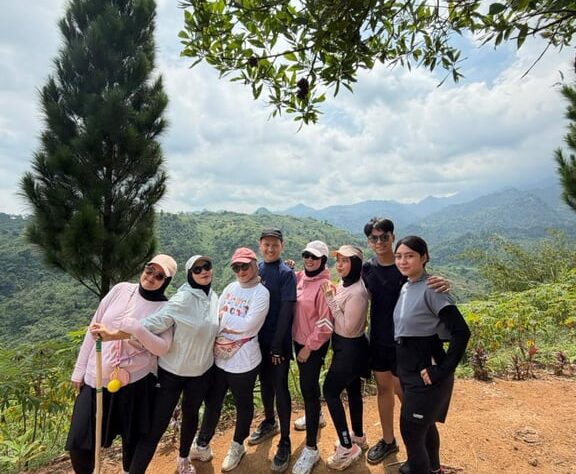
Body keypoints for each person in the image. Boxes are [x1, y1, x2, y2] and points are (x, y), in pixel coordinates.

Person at [91, 255, 220, 474]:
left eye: (206, 266)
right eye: (197, 269)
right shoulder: (181, 300)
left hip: (201, 372)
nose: (203, 271)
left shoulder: (214, 298)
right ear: (190, 275)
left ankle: (183, 459)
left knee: (191, 417)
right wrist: (113, 335)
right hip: (172, 374)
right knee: (155, 428)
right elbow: (149, 324)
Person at [66, 254, 177, 474]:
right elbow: (94, 327)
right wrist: (79, 370)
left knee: (131, 440)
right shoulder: (121, 290)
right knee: (79, 441)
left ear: (166, 281)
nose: (151, 277)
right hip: (96, 376)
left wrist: (137, 328)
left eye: (159, 276)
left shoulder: (165, 308)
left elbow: (162, 347)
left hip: (136, 382)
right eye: (150, 270)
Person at [362, 217, 448, 465]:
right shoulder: (367, 269)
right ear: (369, 241)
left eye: (384, 236)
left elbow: (425, 284)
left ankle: (423, 452)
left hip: (405, 345)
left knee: (408, 397)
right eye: (374, 238)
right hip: (379, 340)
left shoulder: (403, 267)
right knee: (383, 389)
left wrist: (445, 282)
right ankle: (389, 441)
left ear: (393, 236)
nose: (379, 242)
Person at [393, 236, 470, 474]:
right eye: (399, 256)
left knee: (412, 430)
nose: (403, 261)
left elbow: (461, 332)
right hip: (409, 369)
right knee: (422, 426)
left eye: (410, 256)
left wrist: (442, 369)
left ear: (424, 257)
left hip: (425, 372)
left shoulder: (433, 288)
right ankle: (433, 468)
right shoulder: (407, 285)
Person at [193, 247, 270, 472]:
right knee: (212, 402)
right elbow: (214, 319)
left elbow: (249, 325)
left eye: (245, 266)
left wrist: (224, 319)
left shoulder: (261, 293)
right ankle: (202, 444)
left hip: (244, 361)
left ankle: (237, 445)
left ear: (255, 265)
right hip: (220, 358)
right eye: (236, 267)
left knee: (243, 404)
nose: (241, 271)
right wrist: (229, 324)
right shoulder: (230, 287)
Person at [248, 228, 297, 473]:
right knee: (265, 384)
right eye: (266, 244)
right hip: (258, 341)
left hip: (278, 343)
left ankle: (285, 440)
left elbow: (287, 310)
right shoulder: (256, 269)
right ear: (260, 245)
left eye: (274, 245)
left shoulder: (285, 273)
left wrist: (277, 345)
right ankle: (269, 421)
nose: (270, 248)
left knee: (280, 387)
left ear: (282, 246)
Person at [322, 245, 370, 471]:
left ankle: (346, 447)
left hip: (350, 347)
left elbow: (347, 328)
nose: (339, 265)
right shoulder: (346, 283)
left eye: (345, 261)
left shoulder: (358, 293)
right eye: (338, 260)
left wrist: (330, 300)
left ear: (356, 264)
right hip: (350, 347)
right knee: (352, 390)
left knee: (330, 391)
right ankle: (358, 436)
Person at [291, 240, 334, 474]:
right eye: (306, 255)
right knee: (309, 386)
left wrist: (309, 347)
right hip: (298, 341)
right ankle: (316, 416)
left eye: (315, 257)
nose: (309, 259)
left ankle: (311, 448)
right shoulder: (300, 277)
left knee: (308, 389)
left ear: (323, 261)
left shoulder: (325, 286)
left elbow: (326, 324)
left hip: (313, 345)